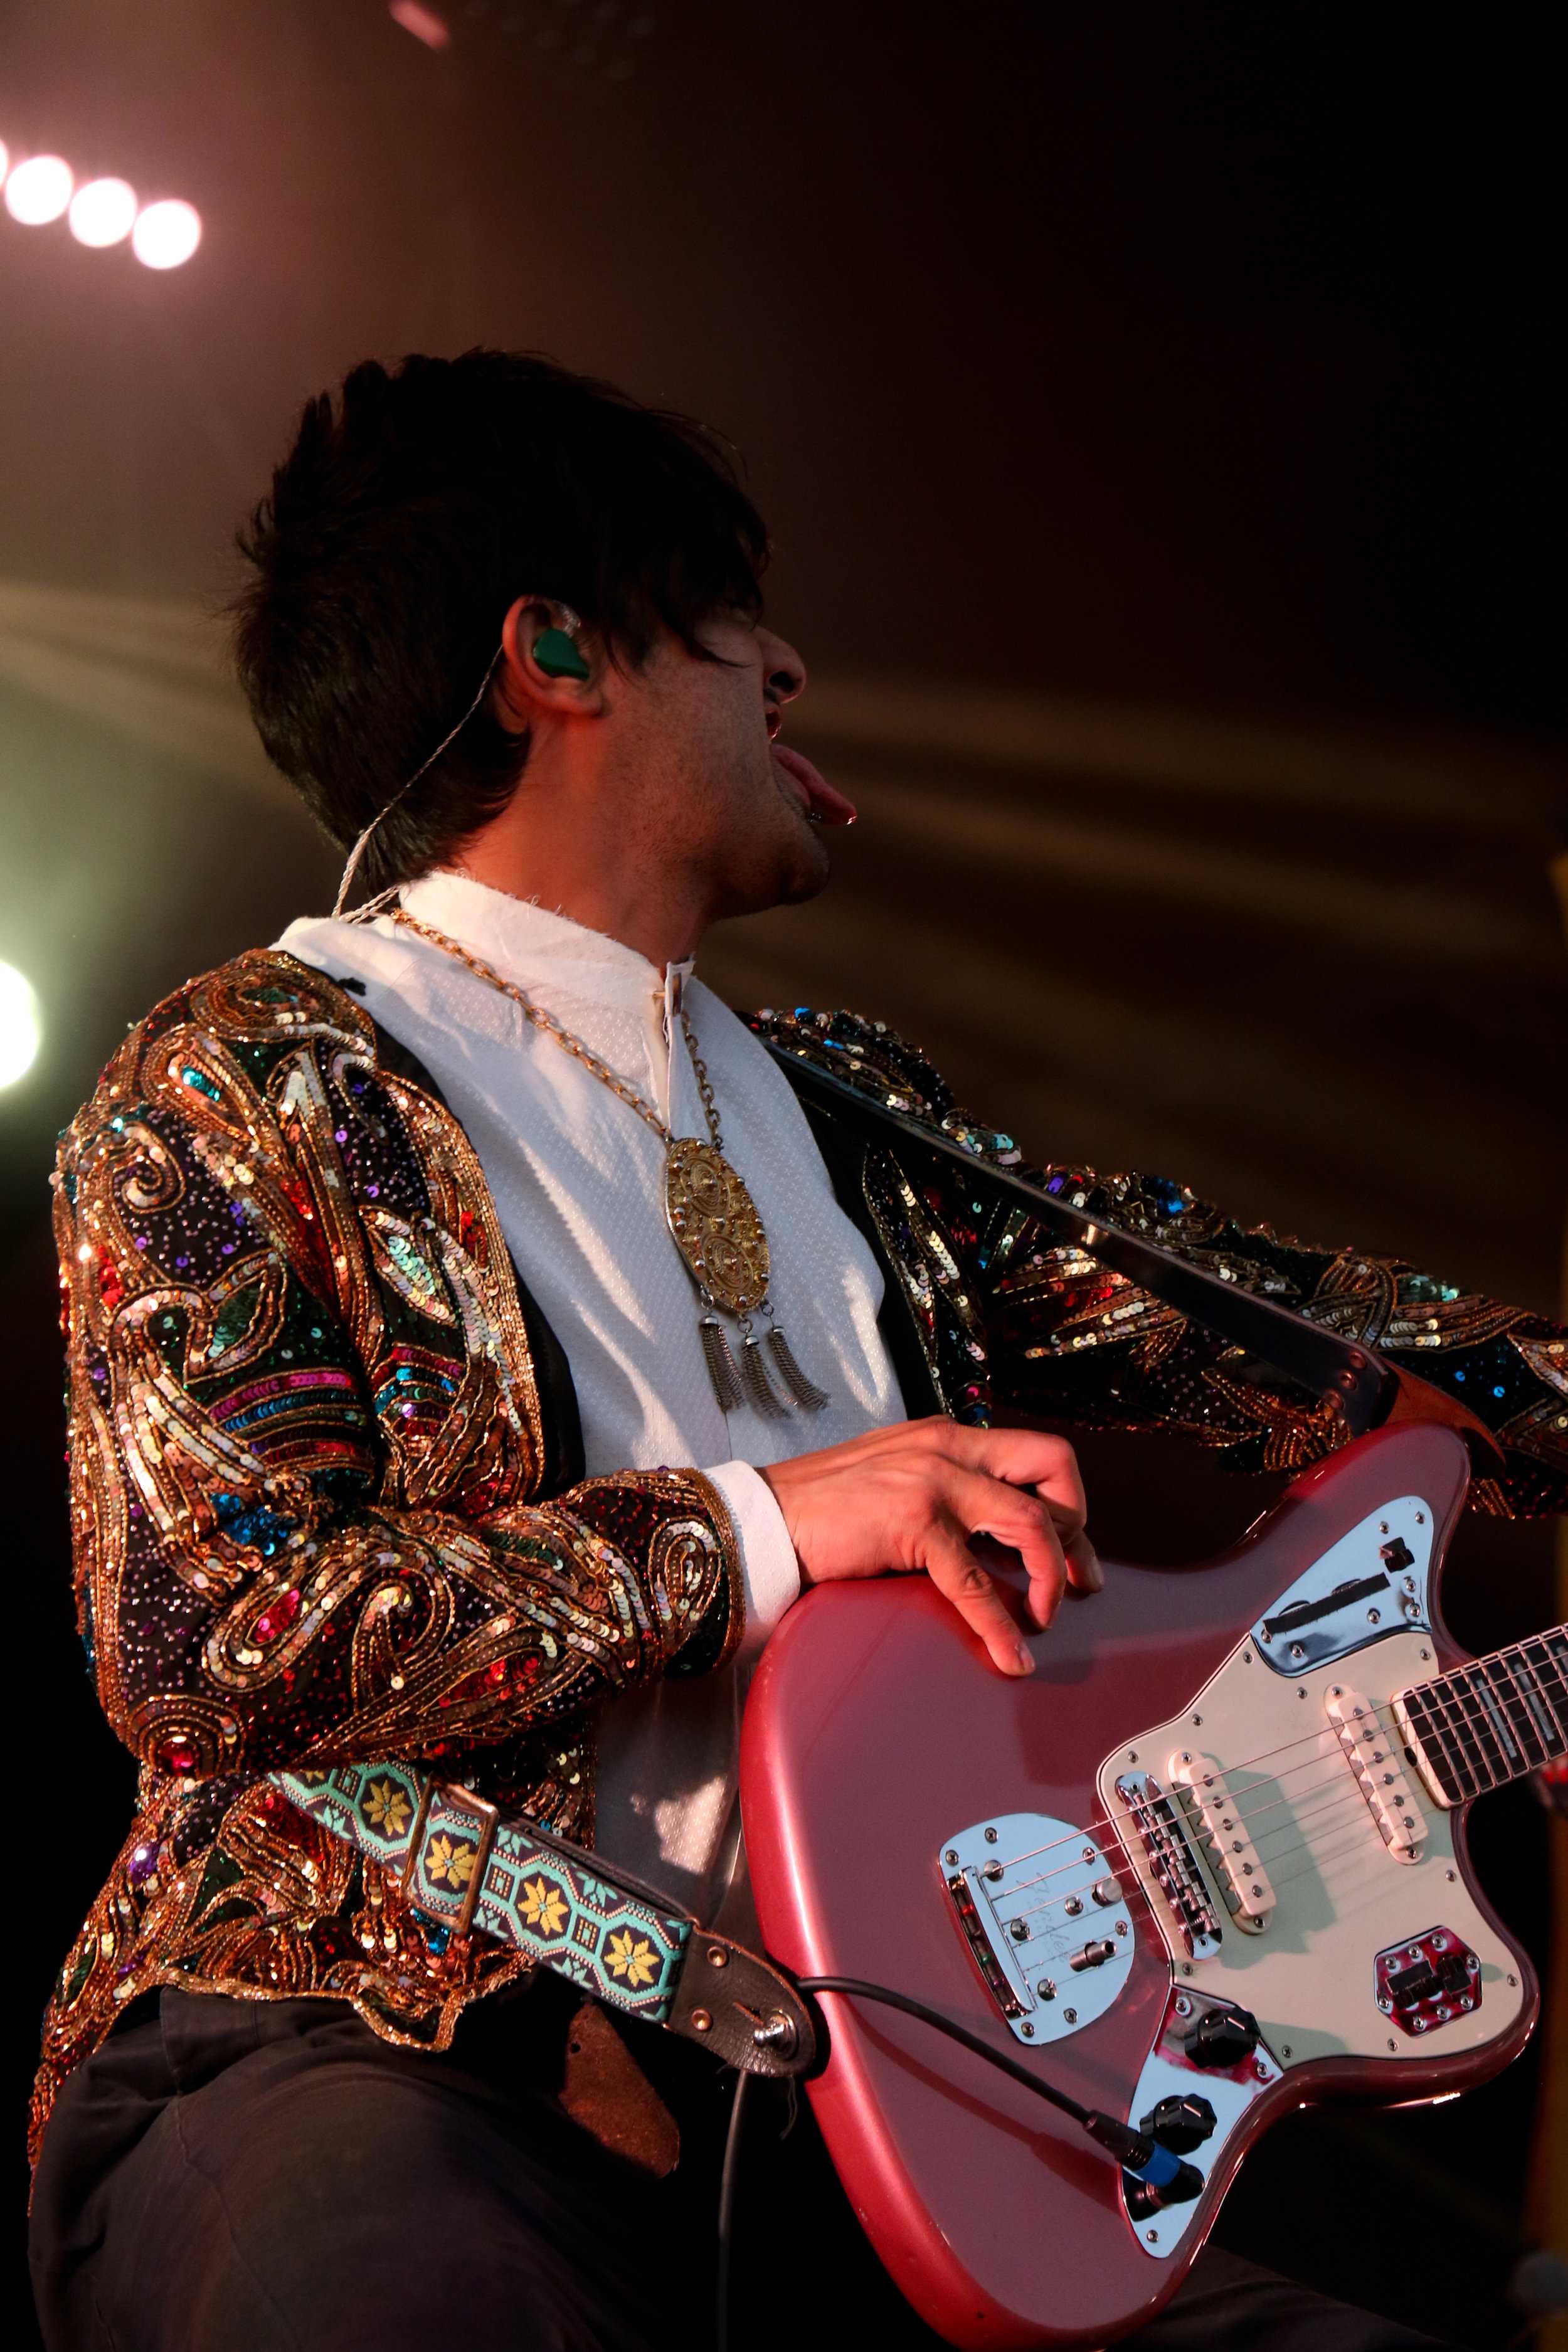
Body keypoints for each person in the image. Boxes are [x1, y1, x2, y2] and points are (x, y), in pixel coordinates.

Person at [28, 351, 1566, 2351]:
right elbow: (207, 1640)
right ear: (555, 650)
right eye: (730, 615)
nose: (788, 671)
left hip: (868, 2118)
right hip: (380, 2057)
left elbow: (1297, 1343)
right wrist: (758, 1528)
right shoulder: (242, 1079)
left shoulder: (847, 1107)